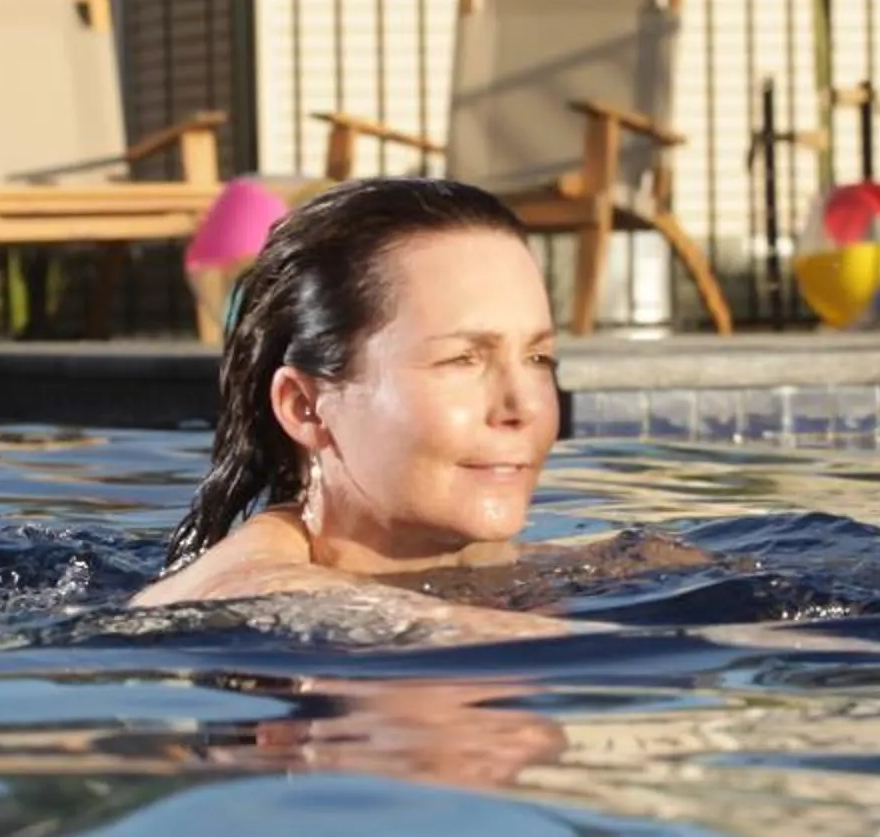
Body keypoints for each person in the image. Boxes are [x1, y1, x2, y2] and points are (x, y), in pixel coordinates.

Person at [133, 177, 570, 637]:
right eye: (463, 359)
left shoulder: (508, 566)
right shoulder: (242, 593)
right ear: (306, 407)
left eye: (538, 358)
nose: (523, 406)